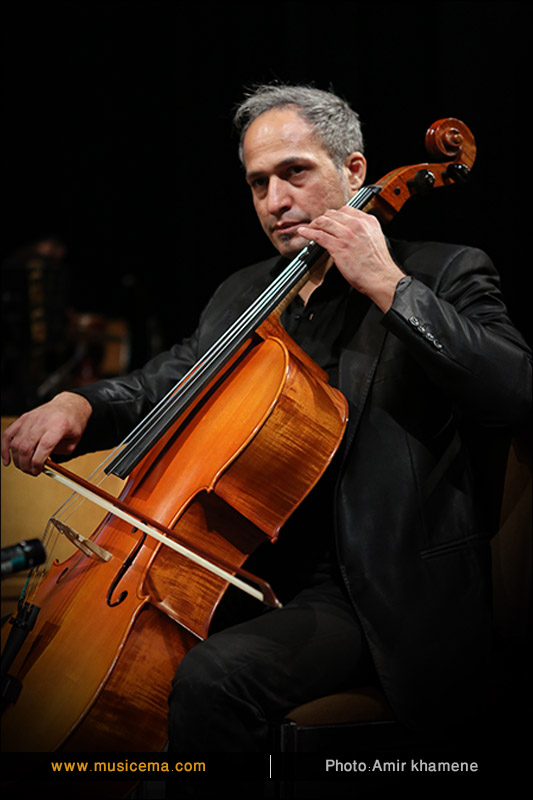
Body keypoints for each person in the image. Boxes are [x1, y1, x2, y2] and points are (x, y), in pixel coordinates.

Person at [2, 84, 531, 772]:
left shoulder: (443, 270)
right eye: (258, 183)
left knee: (213, 680)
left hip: (371, 590)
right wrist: (79, 403)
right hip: (247, 571)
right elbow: (167, 380)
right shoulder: (245, 292)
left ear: (353, 170)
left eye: (295, 172)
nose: (276, 200)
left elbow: (514, 389)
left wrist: (388, 285)